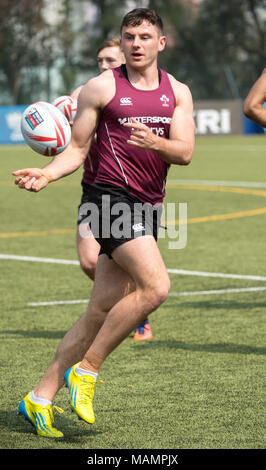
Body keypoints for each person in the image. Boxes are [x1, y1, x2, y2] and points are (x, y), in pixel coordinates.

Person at [14, 8, 195, 438]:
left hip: (149, 205)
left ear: (161, 43)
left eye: (145, 36)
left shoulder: (179, 92)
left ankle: (38, 398)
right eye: (129, 36)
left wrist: (156, 142)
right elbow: (76, 150)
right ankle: (88, 371)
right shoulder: (101, 88)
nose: (136, 44)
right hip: (107, 201)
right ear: (122, 40)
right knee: (156, 287)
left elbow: (185, 151)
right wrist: (47, 173)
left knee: (99, 310)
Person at [73, 37, 153, 341]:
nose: (104, 66)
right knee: (88, 260)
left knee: (111, 264)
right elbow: (66, 141)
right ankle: (130, 307)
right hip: (91, 191)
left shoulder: (127, 97)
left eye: (110, 60)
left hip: (122, 194)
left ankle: (137, 313)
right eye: (100, 61)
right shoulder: (84, 93)